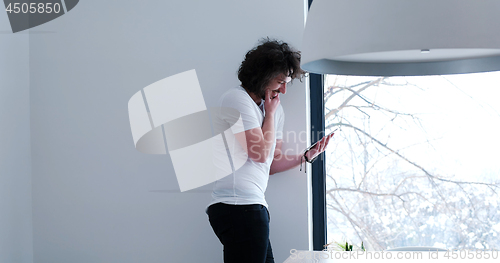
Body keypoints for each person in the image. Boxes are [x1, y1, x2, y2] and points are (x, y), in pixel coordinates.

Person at [206, 39, 334, 263]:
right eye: (280, 82)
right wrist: (271, 115)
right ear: (263, 76)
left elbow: (271, 164)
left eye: (287, 83)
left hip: (253, 206)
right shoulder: (236, 99)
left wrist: (304, 157)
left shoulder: (274, 109)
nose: (284, 90)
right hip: (237, 207)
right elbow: (260, 154)